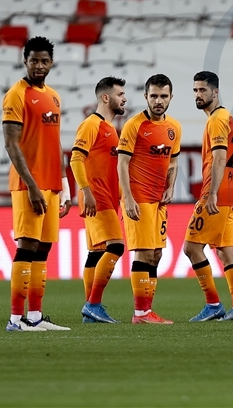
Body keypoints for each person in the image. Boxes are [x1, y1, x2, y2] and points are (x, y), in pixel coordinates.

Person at [1, 36, 72, 332]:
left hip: (51, 184)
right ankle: (16, 319)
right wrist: (31, 185)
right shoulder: (16, 95)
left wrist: (64, 183)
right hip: (27, 184)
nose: (39, 66)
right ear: (24, 60)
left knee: (43, 249)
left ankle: (35, 317)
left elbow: (54, 144)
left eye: (44, 61)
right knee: (27, 247)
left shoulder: (54, 96)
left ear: (51, 62)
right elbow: (11, 144)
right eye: (34, 61)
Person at [184, 71, 233, 322]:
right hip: (231, 191)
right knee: (224, 250)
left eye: (203, 90)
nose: (198, 95)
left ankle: (213, 304)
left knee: (191, 248)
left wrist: (210, 195)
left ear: (215, 92)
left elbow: (220, 157)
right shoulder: (224, 118)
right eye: (195, 90)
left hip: (218, 192)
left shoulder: (217, 120)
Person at [118, 74, 181, 325]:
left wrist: (171, 186)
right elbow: (122, 163)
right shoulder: (134, 125)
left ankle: (147, 310)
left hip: (158, 199)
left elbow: (173, 161)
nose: (158, 101)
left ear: (170, 98)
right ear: (145, 96)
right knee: (143, 253)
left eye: (163, 96)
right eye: (153, 96)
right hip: (139, 196)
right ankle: (141, 314)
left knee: (156, 254)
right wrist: (128, 198)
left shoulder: (174, 127)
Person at [71, 77, 127, 324]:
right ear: (106, 97)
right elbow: (75, 159)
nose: (124, 98)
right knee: (116, 247)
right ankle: (93, 304)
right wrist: (87, 191)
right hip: (97, 197)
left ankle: (90, 308)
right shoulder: (92, 124)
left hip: (103, 198)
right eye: (120, 94)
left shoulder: (110, 128)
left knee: (96, 253)